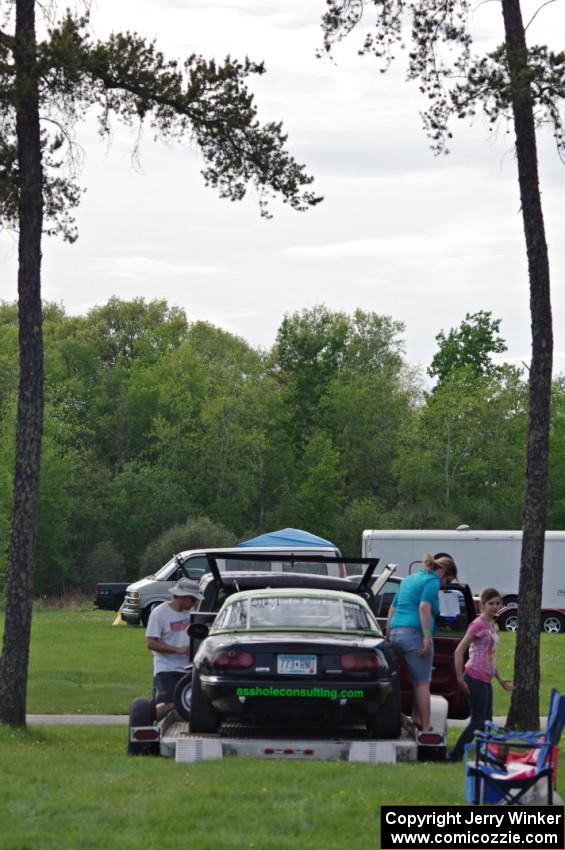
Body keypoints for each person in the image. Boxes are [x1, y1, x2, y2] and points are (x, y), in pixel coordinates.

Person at [446, 586, 513, 762]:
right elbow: (459, 651)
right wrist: (460, 678)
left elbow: (491, 657)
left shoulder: (493, 626)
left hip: (486, 679)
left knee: (488, 721)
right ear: (483, 604)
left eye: (498, 603)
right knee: (477, 721)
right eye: (491, 603)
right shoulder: (478, 624)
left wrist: (500, 680)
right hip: (474, 676)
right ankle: (454, 755)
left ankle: (486, 756)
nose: (495, 606)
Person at [386, 554, 448, 732]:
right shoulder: (432, 580)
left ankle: (414, 718)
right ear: (443, 572)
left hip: (397, 632)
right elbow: (424, 607)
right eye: (448, 579)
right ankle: (425, 724)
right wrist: (426, 636)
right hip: (414, 634)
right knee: (422, 683)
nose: (444, 584)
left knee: (406, 680)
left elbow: (393, 607)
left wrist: (388, 633)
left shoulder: (409, 579)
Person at [145, 577, 204, 720]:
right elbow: (151, 643)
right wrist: (177, 650)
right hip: (166, 668)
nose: (195, 603)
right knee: (171, 702)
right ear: (183, 597)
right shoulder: (159, 613)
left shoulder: (193, 614)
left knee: (189, 703)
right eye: (193, 599)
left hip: (189, 668)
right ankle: (142, 721)